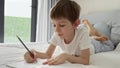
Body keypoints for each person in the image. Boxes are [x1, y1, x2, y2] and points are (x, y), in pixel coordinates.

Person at [24, 0, 94, 65]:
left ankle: (91, 29)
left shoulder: (82, 33)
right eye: (54, 25)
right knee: (91, 35)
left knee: (96, 38)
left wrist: (66, 56)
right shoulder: (57, 34)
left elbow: (85, 60)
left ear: (75, 24)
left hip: (94, 46)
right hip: (84, 42)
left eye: (62, 25)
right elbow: (48, 54)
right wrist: (34, 53)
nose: (56, 30)